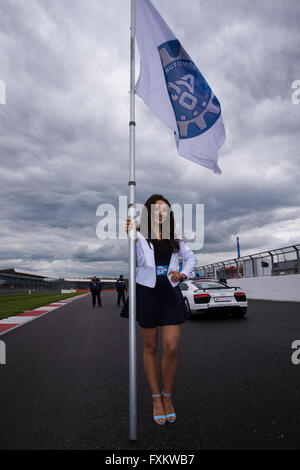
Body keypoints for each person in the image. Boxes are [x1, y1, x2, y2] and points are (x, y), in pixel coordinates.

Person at [121, 194, 197, 426]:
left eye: (164, 209)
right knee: (151, 347)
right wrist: (132, 238)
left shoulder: (175, 240)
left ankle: (168, 396)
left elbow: (191, 258)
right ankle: (156, 398)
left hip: (170, 293)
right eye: (156, 209)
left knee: (171, 347)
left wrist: (184, 273)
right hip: (148, 293)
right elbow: (138, 263)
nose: (160, 213)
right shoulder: (141, 237)